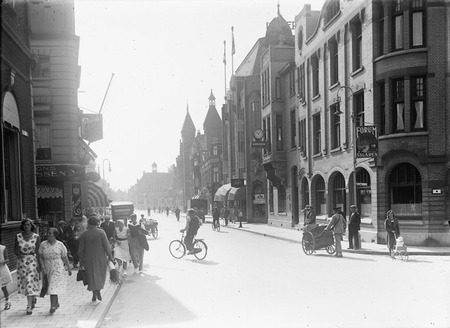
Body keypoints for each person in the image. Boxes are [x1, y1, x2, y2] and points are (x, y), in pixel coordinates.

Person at [78, 217, 113, 304]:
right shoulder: (101, 232)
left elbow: (80, 250)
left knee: (91, 276)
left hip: (88, 258)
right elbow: (106, 246)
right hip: (101, 258)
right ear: (96, 223)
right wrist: (110, 256)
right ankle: (98, 290)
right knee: (100, 275)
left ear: (89, 223)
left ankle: (94, 293)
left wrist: (81, 260)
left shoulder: (84, 234)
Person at [38, 228, 72, 313]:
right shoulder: (43, 244)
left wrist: (68, 268)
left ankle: (52, 306)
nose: (48, 235)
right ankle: (56, 302)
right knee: (51, 286)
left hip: (57, 267)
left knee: (53, 287)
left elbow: (64, 257)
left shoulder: (60, 245)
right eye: (48, 233)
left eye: (50, 233)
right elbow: (40, 256)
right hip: (47, 267)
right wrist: (42, 266)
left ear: (55, 235)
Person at [14, 219, 41, 315]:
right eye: (25, 225)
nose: (26, 226)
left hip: (32, 260)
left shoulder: (36, 237)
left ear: (31, 226)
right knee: (26, 281)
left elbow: (38, 251)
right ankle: (32, 298)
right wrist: (18, 254)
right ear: (23, 226)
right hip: (22, 262)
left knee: (30, 280)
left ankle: (28, 306)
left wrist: (40, 265)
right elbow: (15, 249)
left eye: (28, 225)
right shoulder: (18, 236)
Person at [0, 243, 12, 310]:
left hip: (2, 269)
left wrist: (1, 262)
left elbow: (7, 259)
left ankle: (7, 301)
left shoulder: (2, 248)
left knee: (3, 287)